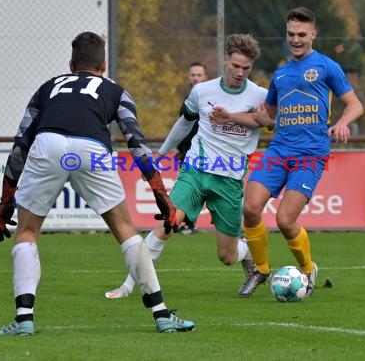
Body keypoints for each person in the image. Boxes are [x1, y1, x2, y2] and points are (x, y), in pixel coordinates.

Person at [0, 32, 195, 335]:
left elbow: (22, 141)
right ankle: (161, 314)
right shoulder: (116, 90)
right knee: (125, 229)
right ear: (103, 64)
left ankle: (24, 319)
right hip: (92, 149)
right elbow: (135, 141)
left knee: (27, 231)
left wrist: (4, 199)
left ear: (71, 64)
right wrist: (159, 191)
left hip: (48, 144)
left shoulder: (47, 88)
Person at [211, 7, 364, 297]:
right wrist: (229, 116)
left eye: (302, 35)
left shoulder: (327, 67)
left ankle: (307, 269)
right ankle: (261, 269)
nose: (296, 40)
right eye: (291, 34)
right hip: (279, 150)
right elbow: (264, 118)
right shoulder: (280, 74)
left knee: (284, 220)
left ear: (313, 35)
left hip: (311, 155)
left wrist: (343, 123)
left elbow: (355, 104)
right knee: (250, 207)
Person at [104, 34, 269, 299]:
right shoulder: (203, 91)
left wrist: (238, 117)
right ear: (225, 60)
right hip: (195, 170)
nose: (240, 73)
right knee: (167, 224)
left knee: (227, 256)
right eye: (235, 65)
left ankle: (246, 250)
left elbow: (269, 122)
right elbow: (185, 121)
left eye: (246, 68)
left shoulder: (260, 95)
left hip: (229, 179)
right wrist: (165, 150)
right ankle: (128, 285)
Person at [175, 61, 208, 234]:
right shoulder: (188, 98)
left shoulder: (210, 99)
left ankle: (190, 223)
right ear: (189, 77)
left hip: (206, 151)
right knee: (187, 188)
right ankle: (186, 223)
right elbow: (183, 127)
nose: (196, 78)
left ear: (205, 77)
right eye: (193, 75)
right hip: (188, 150)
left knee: (203, 188)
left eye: (199, 75)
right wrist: (180, 148)